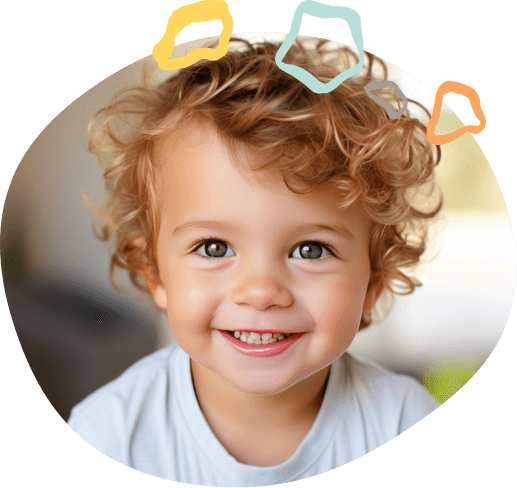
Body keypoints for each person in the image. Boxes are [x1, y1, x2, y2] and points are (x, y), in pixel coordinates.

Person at [68, 35, 443, 484]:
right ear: (154, 272)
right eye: (213, 247)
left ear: (374, 281)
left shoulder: (401, 421)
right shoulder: (110, 436)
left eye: (311, 250)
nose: (262, 291)